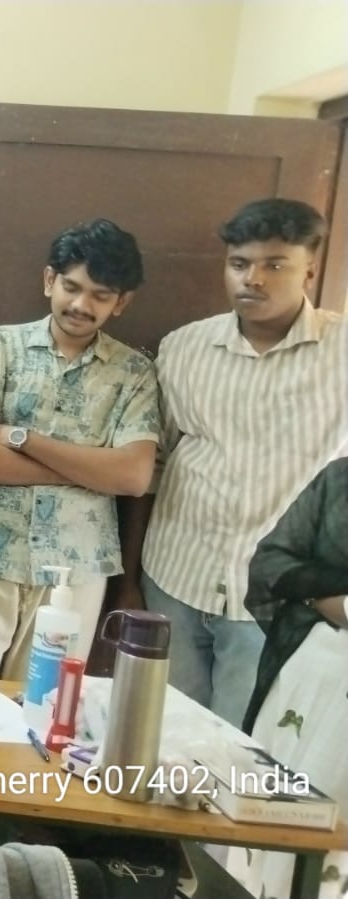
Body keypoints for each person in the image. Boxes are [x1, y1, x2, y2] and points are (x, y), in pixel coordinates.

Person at [122, 198, 346, 727]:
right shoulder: (183, 349)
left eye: (275, 265)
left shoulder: (341, 353)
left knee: (243, 750)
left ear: (309, 269)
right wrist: (128, 579)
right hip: (175, 578)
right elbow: (152, 470)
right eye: (239, 264)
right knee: (164, 737)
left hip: (275, 601)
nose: (253, 279)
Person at [0, 220, 159, 679]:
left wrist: (23, 439)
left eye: (100, 295)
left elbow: (133, 477)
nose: (81, 305)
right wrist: (89, 471)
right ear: (49, 280)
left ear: (121, 302)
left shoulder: (134, 372)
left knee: (47, 710)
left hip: (77, 573)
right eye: (72, 287)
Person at [228, 457, 348, 898]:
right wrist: (329, 599)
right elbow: (271, 564)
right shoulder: (340, 480)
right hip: (301, 675)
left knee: (328, 840)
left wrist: (315, 594)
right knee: (263, 809)